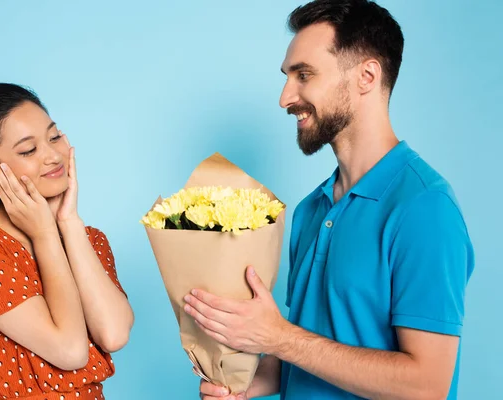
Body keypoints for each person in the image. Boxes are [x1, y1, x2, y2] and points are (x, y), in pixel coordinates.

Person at [187, 1, 474, 399]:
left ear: (366, 76)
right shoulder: (309, 210)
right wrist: (247, 384)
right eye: (288, 77)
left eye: (304, 75)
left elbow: (427, 385)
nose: (286, 97)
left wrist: (279, 337)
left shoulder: (425, 208)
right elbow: (306, 350)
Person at [0, 83, 134, 400]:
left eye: (54, 137)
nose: (53, 156)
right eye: (28, 150)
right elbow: (70, 351)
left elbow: (113, 334)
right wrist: (44, 236)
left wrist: (67, 223)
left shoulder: (88, 240)